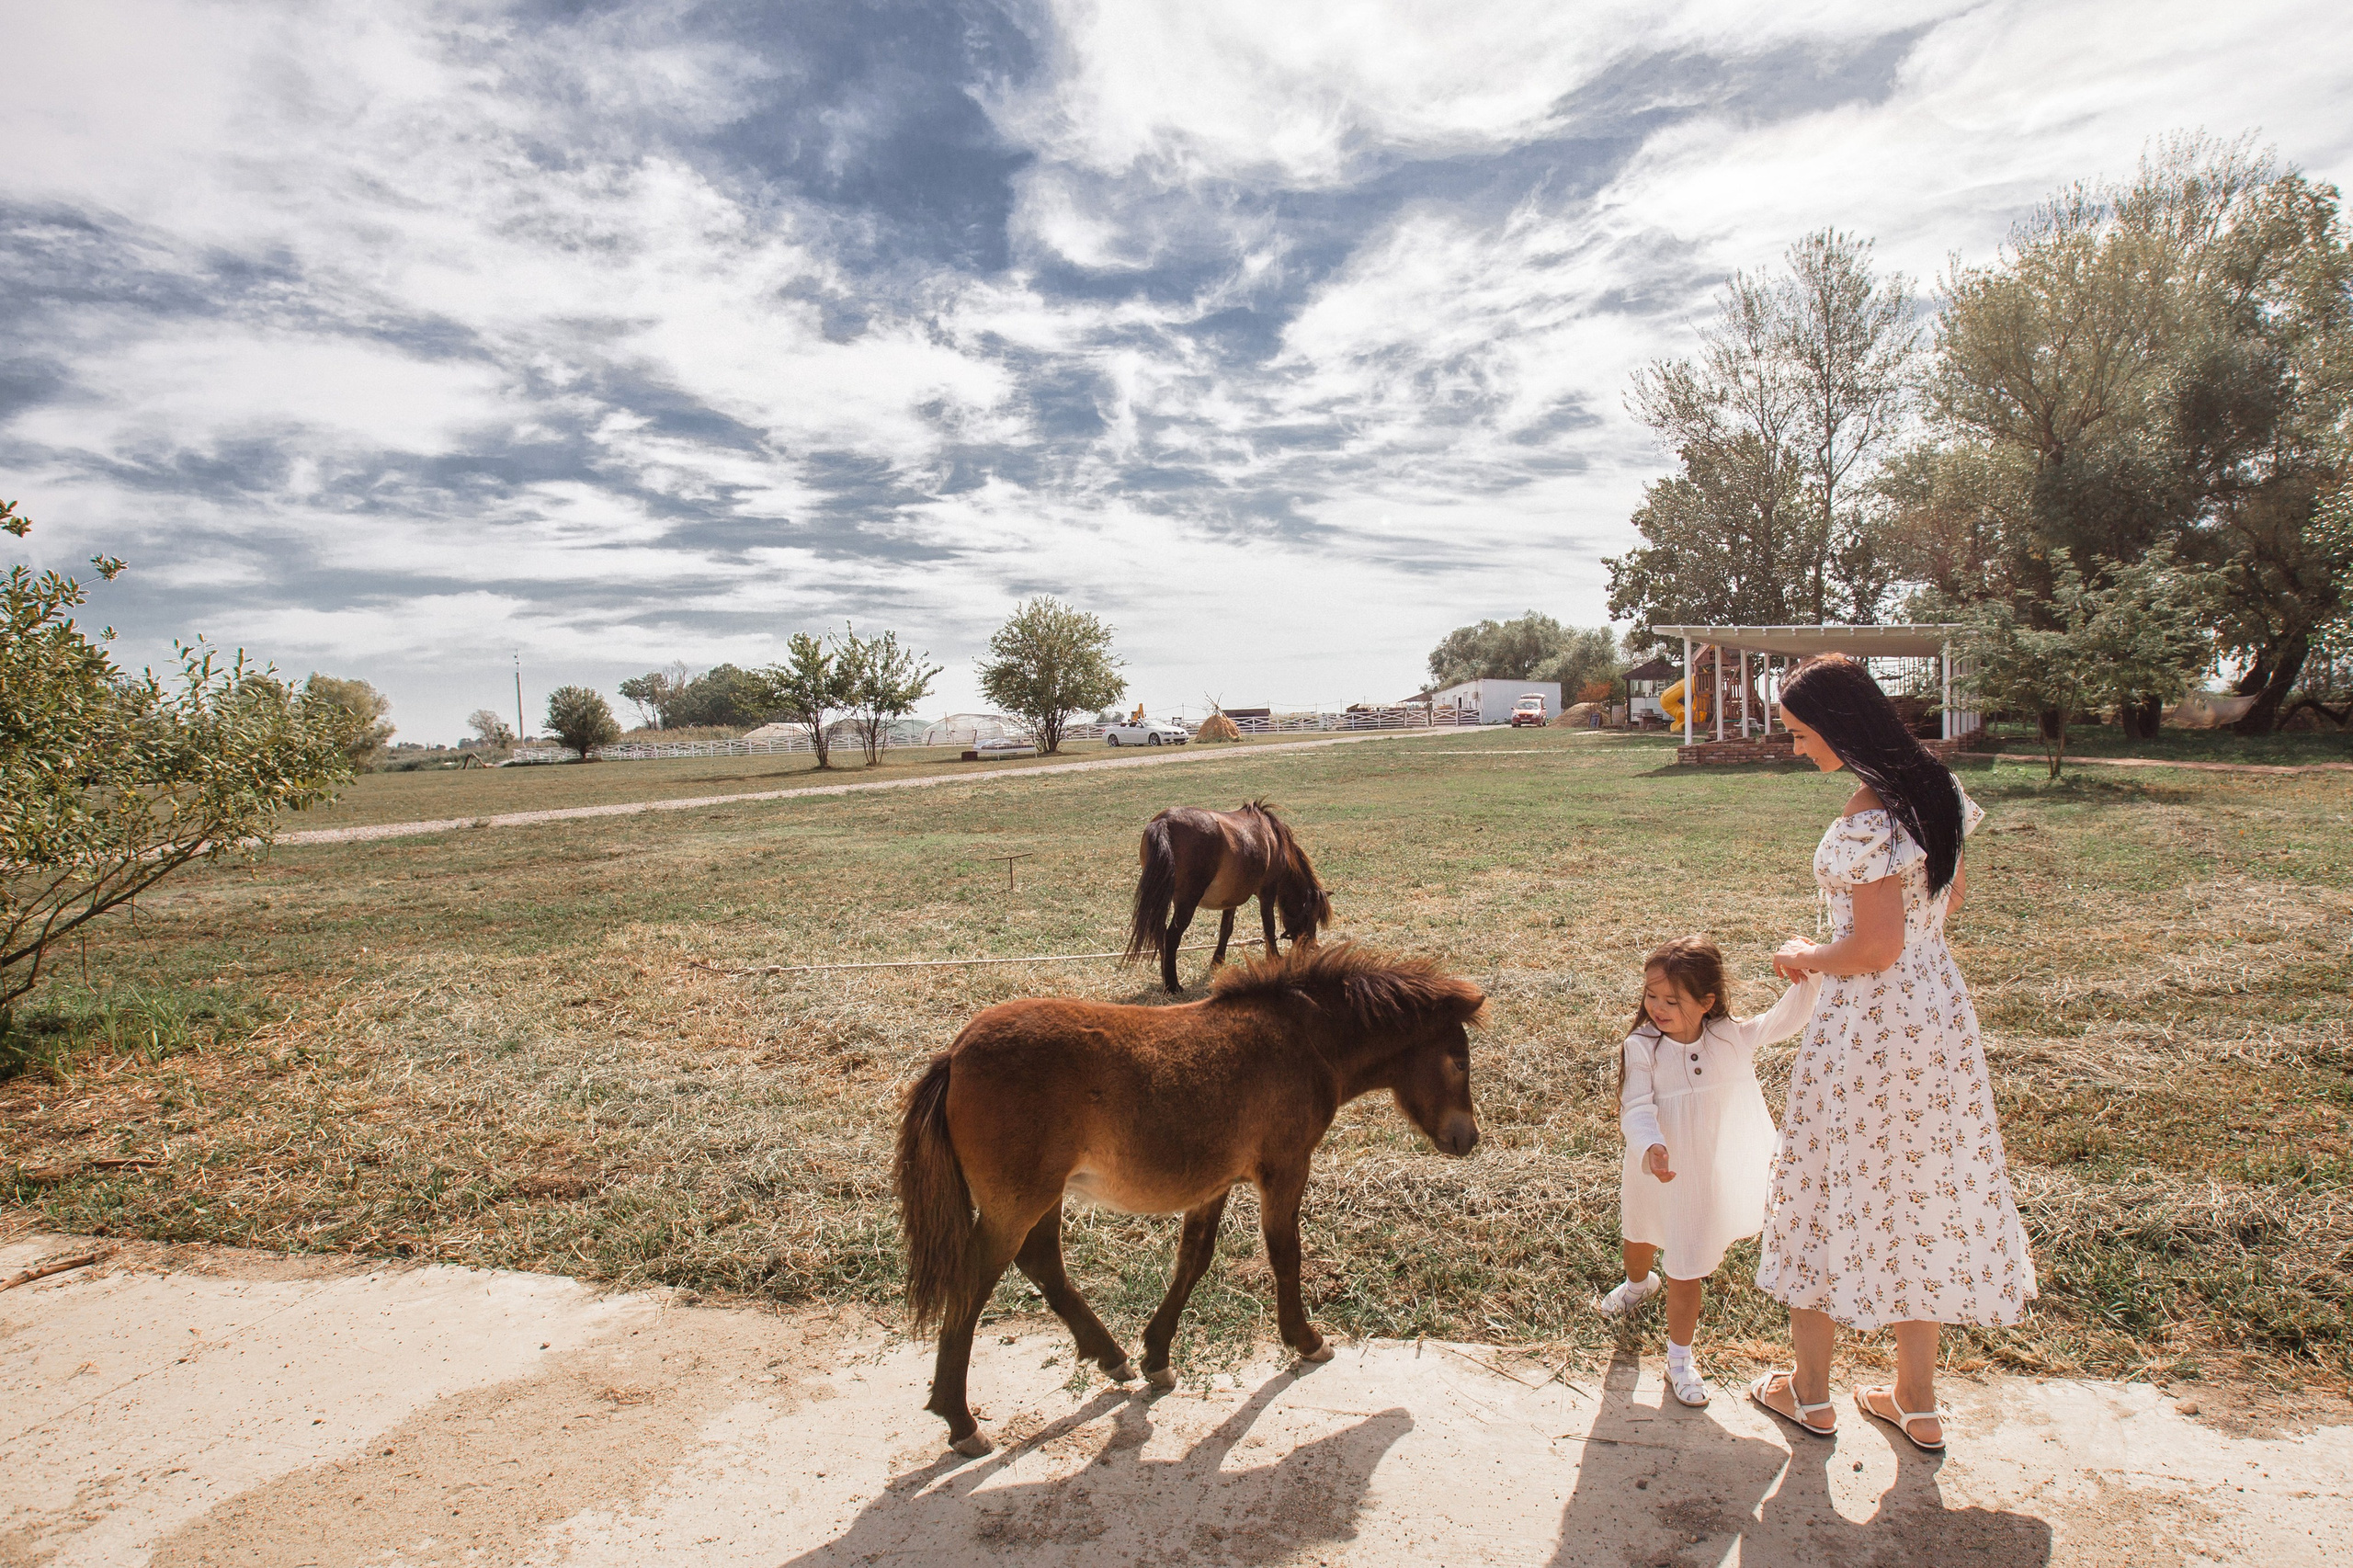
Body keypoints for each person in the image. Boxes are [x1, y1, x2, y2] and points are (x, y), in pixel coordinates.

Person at [1749, 653, 2036, 1452]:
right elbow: (1948, 902)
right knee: (1918, 1187)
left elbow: (1875, 948)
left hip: (1868, 1026)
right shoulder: (1938, 791)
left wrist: (1806, 954)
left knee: (1827, 1181)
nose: (1797, 747)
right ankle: (1916, 1399)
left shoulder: (1867, 817)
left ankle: (1810, 1392)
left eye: (1801, 733)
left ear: (1837, 725)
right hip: (1935, 1017)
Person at [1599, 937, 1822, 1407]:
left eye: (1671, 1000)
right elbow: (1635, 1106)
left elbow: (1783, 1020)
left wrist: (1810, 977)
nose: (1657, 1008)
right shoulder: (1642, 1046)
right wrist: (1652, 1144)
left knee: (1686, 1266)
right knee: (1639, 1237)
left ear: (1707, 1002)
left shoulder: (1727, 1036)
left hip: (1700, 1179)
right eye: (1651, 996)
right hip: (1653, 1168)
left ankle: (1679, 1359)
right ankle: (1638, 1284)